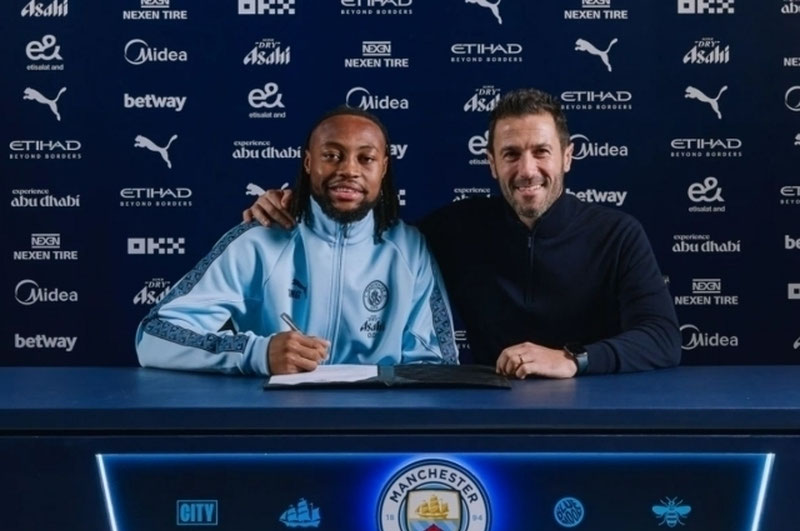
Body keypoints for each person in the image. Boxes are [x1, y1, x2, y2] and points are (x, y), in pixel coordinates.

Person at [243, 89, 681, 379]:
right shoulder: (454, 230)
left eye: (541, 152)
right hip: (495, 413)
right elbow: (364, 230)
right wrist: (293, 204)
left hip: (597, 412)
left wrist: (572, 360)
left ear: (567, 157)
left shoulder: (617, 234)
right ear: (491, 163)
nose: (527, 170)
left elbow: (662, 338)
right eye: (511, 154)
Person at [137, 106, 457, 376]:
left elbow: (438, 366)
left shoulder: (409, 249)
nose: (349, 169)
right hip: (276, 423)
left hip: (375, 426)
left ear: (384, 168)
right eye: (331, 155)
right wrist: (255, 353)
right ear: (308, 163)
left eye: (366, 158)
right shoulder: (259, 241)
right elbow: (154, 337)